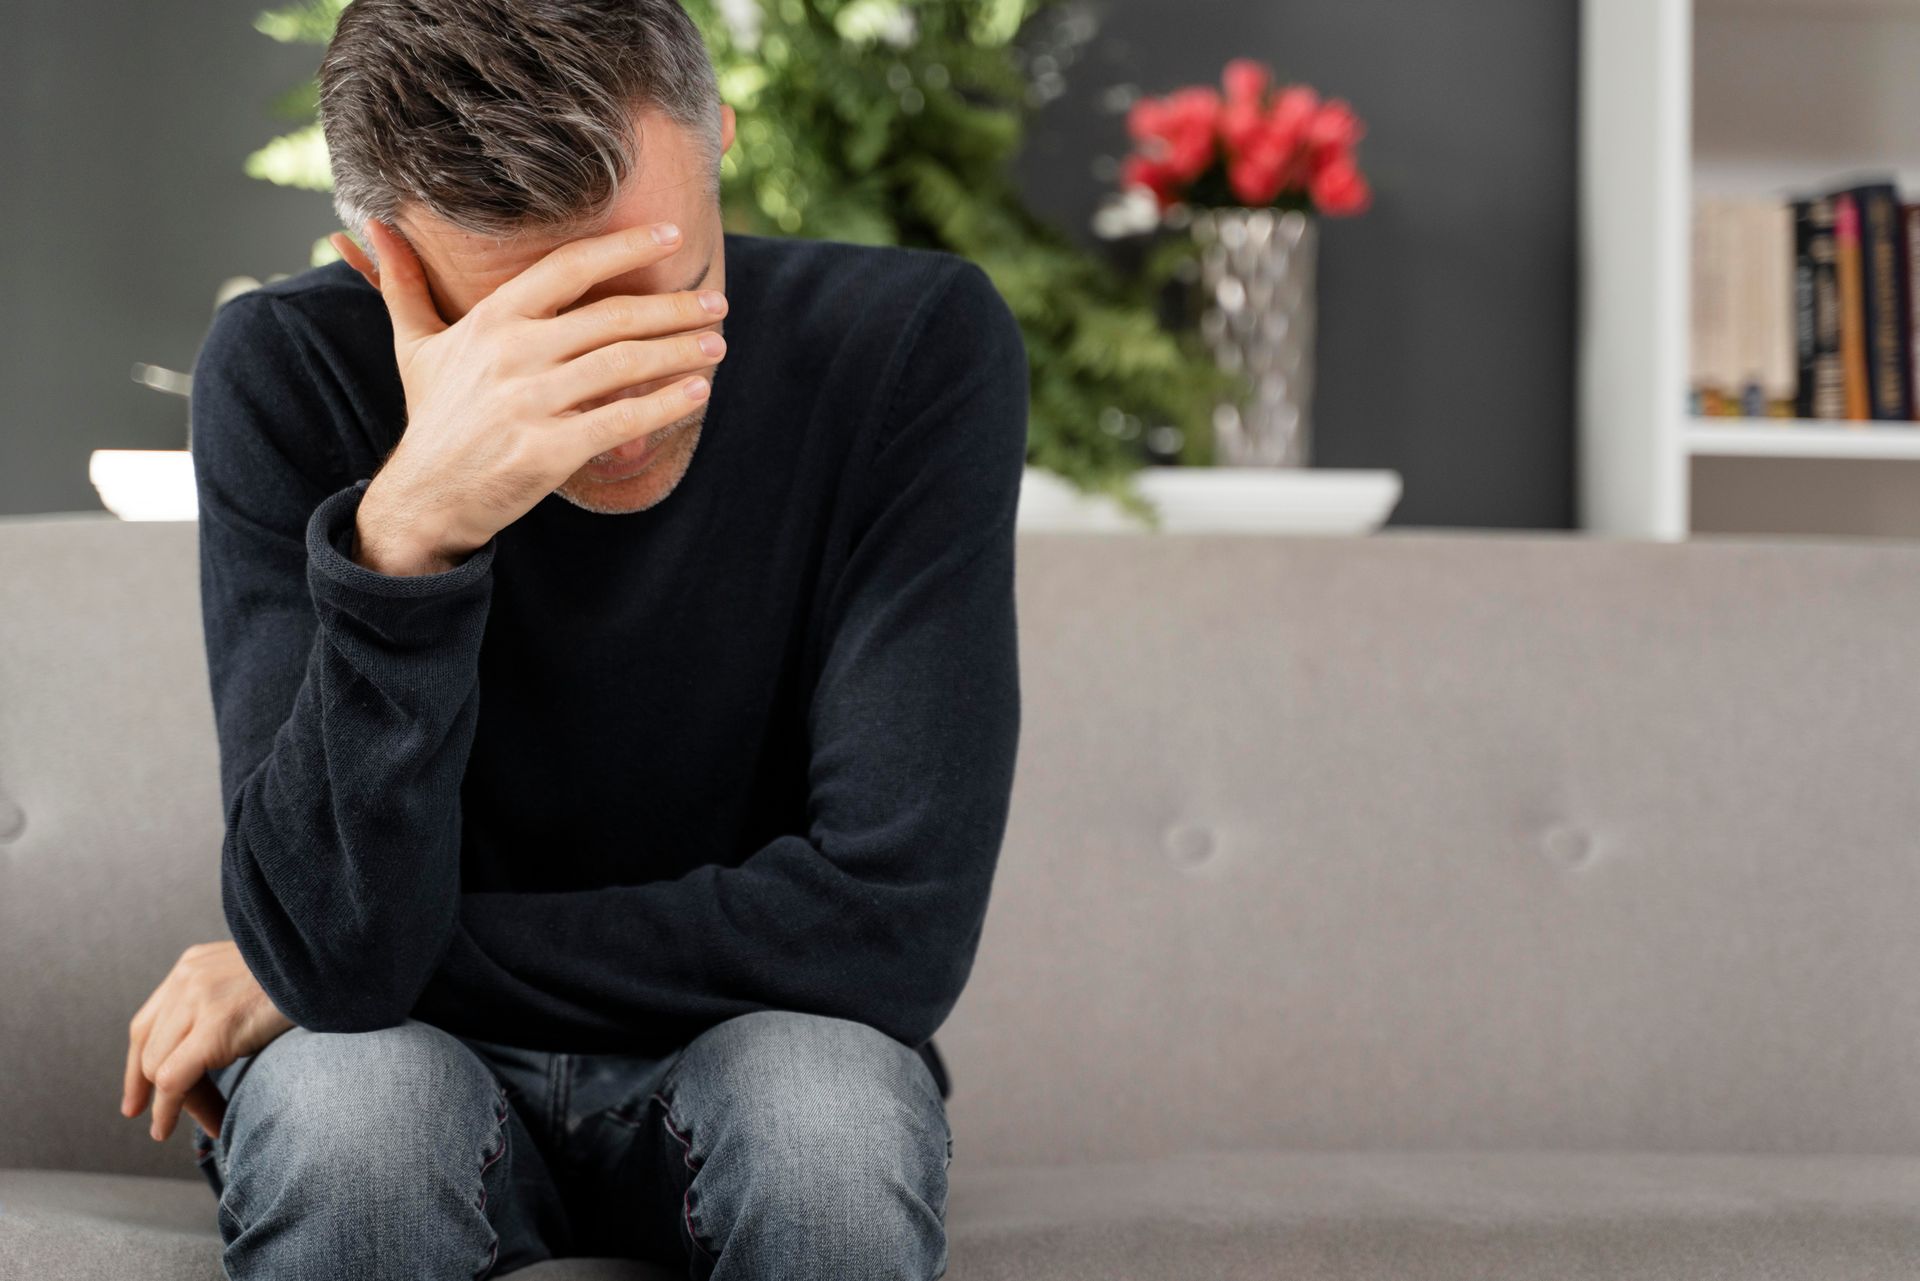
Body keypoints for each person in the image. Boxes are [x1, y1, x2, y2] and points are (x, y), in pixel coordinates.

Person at [115, 1, 1028, 1276]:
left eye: (673, 308)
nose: (622, 425)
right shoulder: (288, 371)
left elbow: (889, 931)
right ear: (384, 262)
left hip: (771, 1035)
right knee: (348, 1121)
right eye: (537, 349)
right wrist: (411, 531)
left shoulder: (910, 349)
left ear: (714, 135)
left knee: (822, 1122)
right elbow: (336, 958)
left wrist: (320, 967)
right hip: (405, 1067)